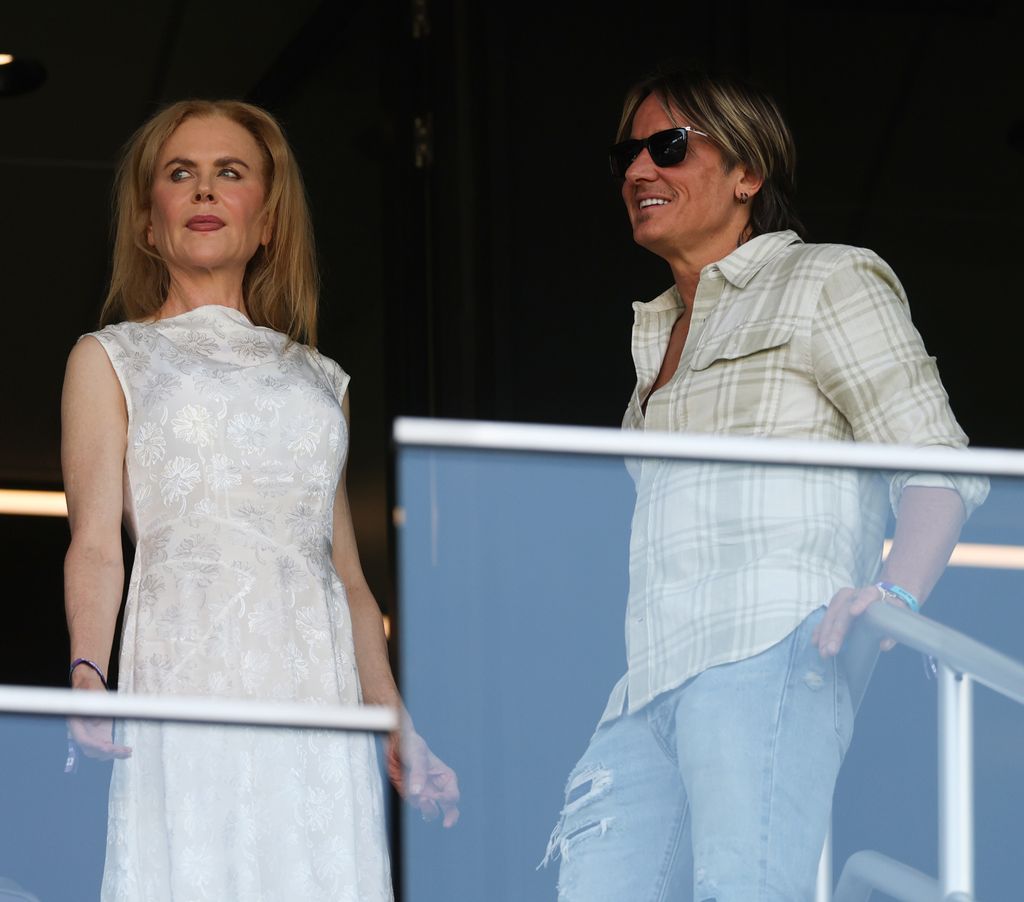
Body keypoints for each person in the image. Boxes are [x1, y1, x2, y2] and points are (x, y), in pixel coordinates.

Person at [541, 67, 987, 901]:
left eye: (668, 146)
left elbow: (942, 464)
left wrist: (896, 594)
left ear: (747, 174)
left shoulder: (827, 279)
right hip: (642, 690)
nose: (640, 171)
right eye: (626, 155)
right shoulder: (653, 344)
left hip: (768, 648)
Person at [61, 99, 459, 901]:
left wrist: (395, 721)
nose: (205, 191)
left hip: (313, 687)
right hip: (187, 668)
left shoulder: (322, 381)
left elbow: (345, 579)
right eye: (182, 175)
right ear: (149, 221)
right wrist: (85, 673)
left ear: (268, 219)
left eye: (229, 174)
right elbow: (98, 541)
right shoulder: (111, 357)